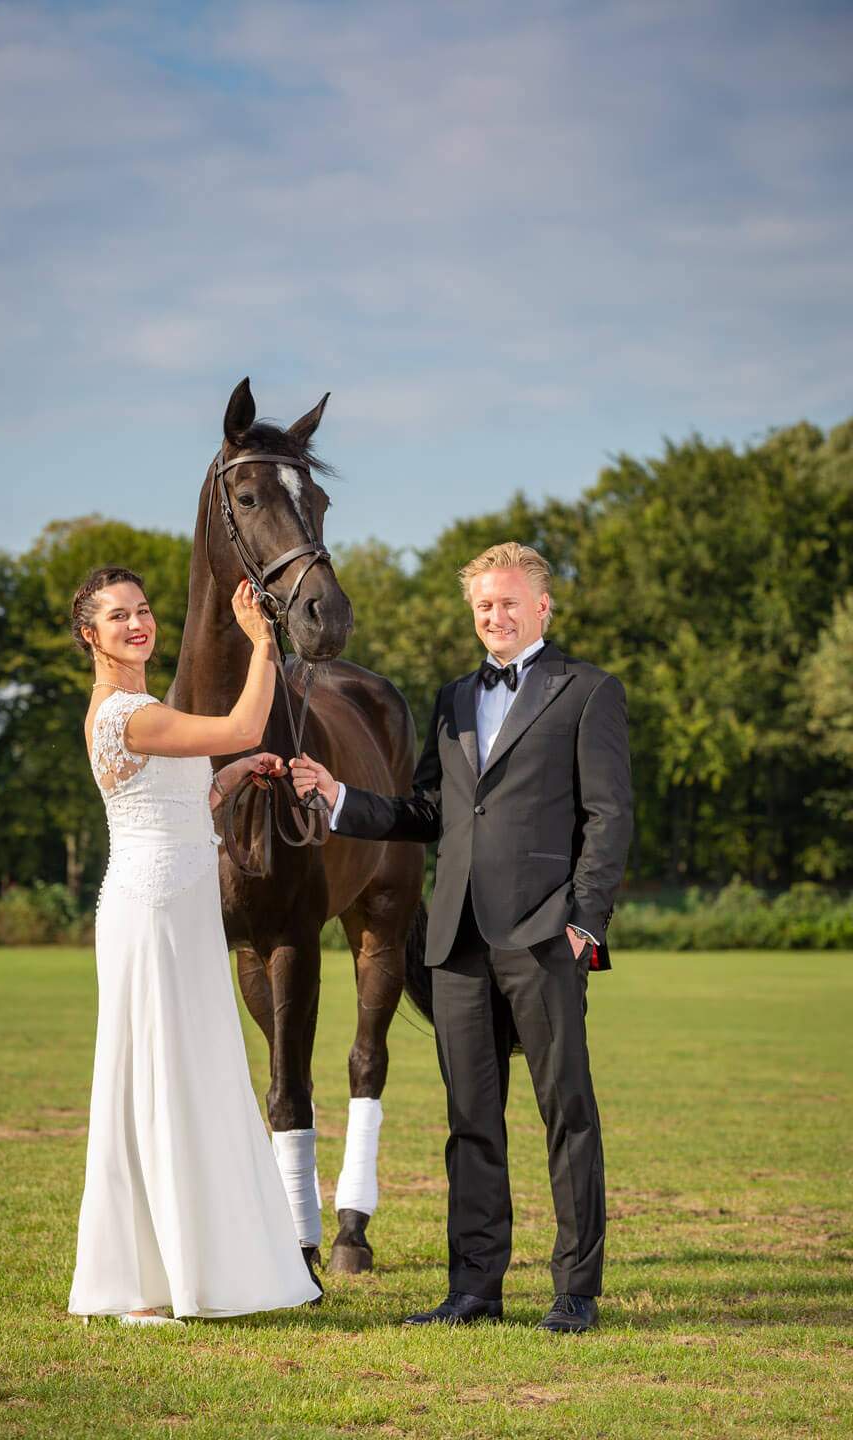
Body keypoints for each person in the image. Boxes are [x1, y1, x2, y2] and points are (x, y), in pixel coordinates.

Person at [291, 542, 632, 1333]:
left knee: (567, 1115)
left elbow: (609, 819)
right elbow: (428, 815)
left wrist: (585, 923)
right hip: (455, 942)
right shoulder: (450, 700)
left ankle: (575, 1291)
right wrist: (344, 798)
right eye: (484, 605)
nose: (495, 616)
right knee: (470, 1122)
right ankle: (474, 1289)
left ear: (543, 606)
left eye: (509, 602)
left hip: (549, 936)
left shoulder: (588, 692)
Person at [67, 565, 320, 1325]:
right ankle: (153, 1278)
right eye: (118, 617)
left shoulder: (145, 710)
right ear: (91, 635)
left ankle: (201, 1264)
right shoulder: (124, 713)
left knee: (192, 1073)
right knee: (158, 1078)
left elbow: (178, 798)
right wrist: (262, 647)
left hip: (181, 912)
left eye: (143, 610)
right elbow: (242, 724)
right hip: (151, 915)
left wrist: (230, 778)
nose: (137, 623)